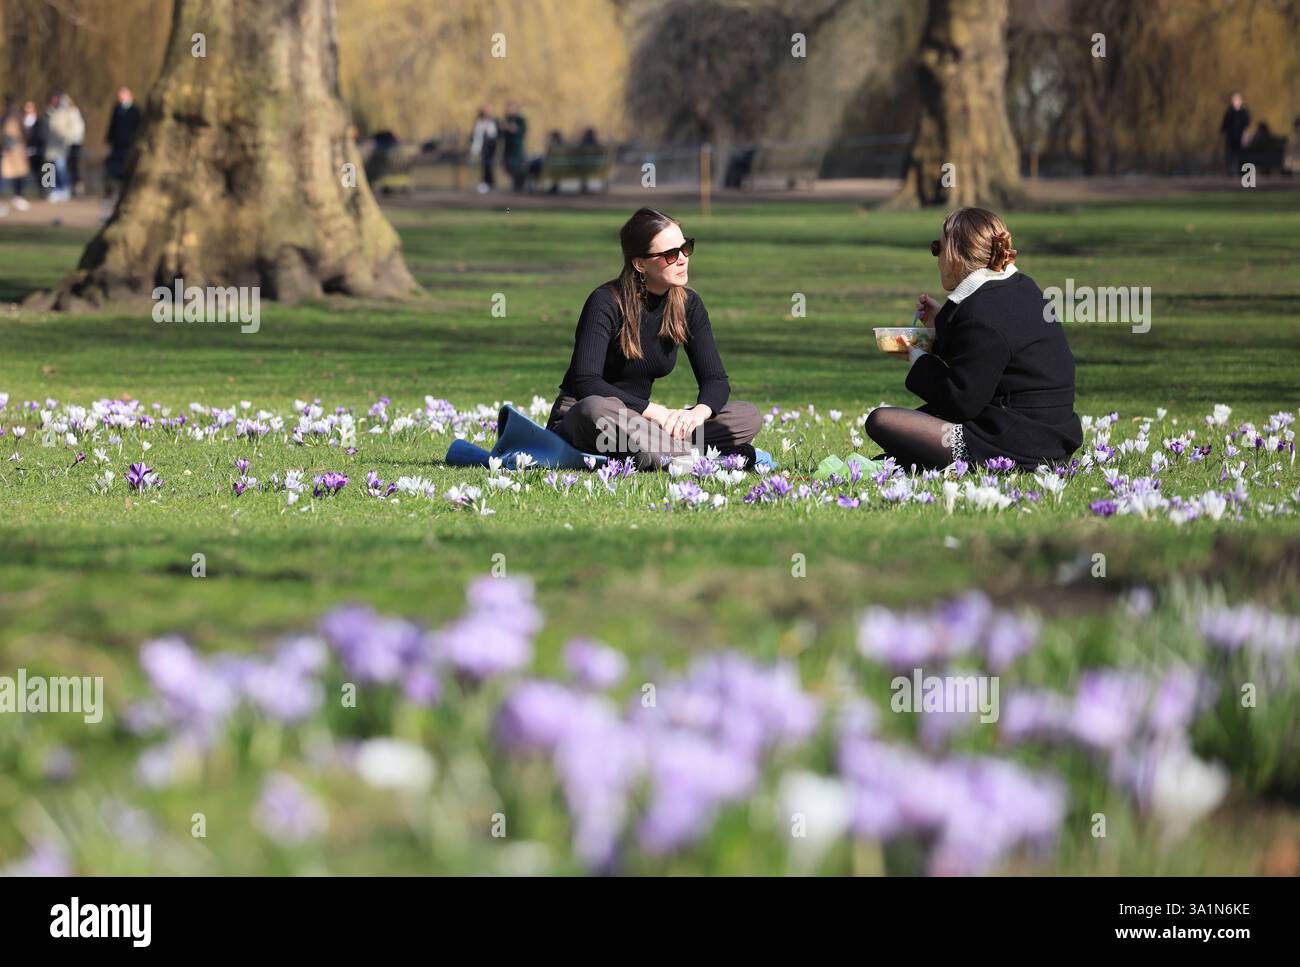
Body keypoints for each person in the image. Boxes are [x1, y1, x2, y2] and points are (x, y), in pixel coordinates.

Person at [865, 207, 1082, 471]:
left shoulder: (982, 313)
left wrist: (916, 355)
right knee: (915, 424)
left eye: (938, 248)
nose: (936, 258)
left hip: (1014, 443)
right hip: (1046, 435)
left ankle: (951, 460)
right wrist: (941, 325)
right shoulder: (1020, 287)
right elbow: (982, 364)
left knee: (882, 421)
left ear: (955, 256)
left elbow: (960, 401)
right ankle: (906, 464)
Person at [547, 207, 763, 468]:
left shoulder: (688, 305)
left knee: (747, 416)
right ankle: (698, 458)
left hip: (645, 430)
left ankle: (663, 456)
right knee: (595, 408)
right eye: (671, 254)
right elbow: (586, 381)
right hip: (595, 422)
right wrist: (657, 413)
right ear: (640, 264)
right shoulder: (605, 302)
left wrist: (697, 414)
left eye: (686, 248)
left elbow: (715, 380)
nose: (683, 258)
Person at [104, 85, 141, 199]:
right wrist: (109, 138)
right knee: (113, 169)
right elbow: (112, 125)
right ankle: (112, 191)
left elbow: (138, 127)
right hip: (117, 145)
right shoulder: (117, 109)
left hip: (129, 145)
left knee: (126, 169)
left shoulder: (135, 110)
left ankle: (124, 191)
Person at [1, 96, 32, 214]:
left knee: (20, 173)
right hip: (8, 150)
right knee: (7, 174)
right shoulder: (6, 117)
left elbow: (24, 133)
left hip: (17, 148)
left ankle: (18, 196)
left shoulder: (16, 116)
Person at [500, 100, 528, 191]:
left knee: (517, 168)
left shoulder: (520, 119)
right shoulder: (506, 119)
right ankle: (517, 186)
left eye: (510, 108)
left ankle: (519, 187)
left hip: (517, 149)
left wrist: (508, 127)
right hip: (508, 149)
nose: (507, 110)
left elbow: (518, 130)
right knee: (507, 167)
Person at [1220, 92, 1250, 177]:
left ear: (1240, 101)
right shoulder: (1229, 111)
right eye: (1233, 100)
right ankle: (1230, 173)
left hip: (1240, 137)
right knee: (1229, 155)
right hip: (1230, 137)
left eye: (1236, 100)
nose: (1234, 101)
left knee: (1241, 156)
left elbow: (1246, 125)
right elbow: (1224, 124)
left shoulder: (1244, 111)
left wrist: (1245, 136)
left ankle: (1242, 173)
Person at [469, 104, 497, 193]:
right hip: (481, 147)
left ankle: (488, 183)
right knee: (484, 165)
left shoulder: (493, 121)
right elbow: (476, 134)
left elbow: (494, 134)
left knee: (488, 165)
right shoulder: (478, 121)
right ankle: (486, 183)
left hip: (490, 147)